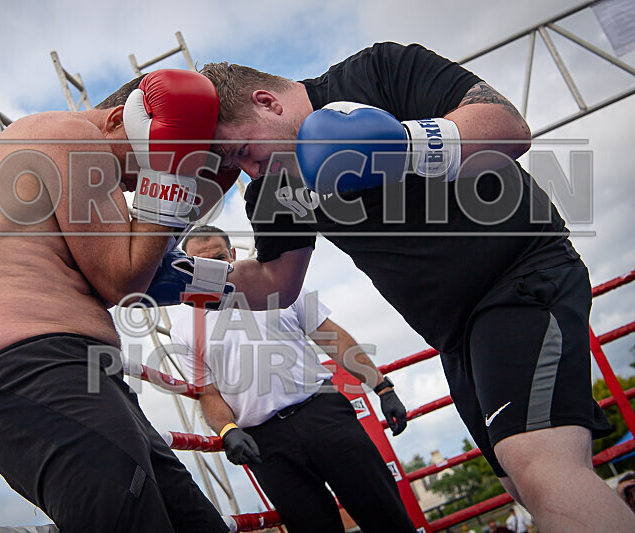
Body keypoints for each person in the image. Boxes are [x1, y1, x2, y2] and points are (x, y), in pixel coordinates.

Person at [192, 42, 635, 531]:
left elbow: (508, 128)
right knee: (523, 483)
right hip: (455, 338)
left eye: (243, 152)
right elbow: (277, 284)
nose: (250, 171)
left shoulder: (375, 73)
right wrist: (179, 276)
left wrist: (399, 146)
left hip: (520, 278)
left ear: (267, 102)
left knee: (538, 466)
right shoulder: (273, 187)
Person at [0, 69, 238, 532]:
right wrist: (172, 177)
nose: (130, 190)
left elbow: (142, 269)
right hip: (43, 378)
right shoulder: (71, 136)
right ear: (119, 119)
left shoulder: (38, 144)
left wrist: (218, 268)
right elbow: (123, 279)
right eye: (137, 170)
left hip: (75, 377)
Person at [169, 225, 414, 533]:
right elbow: (208, 393)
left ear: (232, 255)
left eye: (219, 259)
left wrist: (382, 386)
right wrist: (228, 430)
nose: (213, 269)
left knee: (386, 515)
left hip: (323, 414)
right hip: (266, 442)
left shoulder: (277, 283)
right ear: (190, 267)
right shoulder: (183, 326)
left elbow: (331, 337)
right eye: (202, 263)